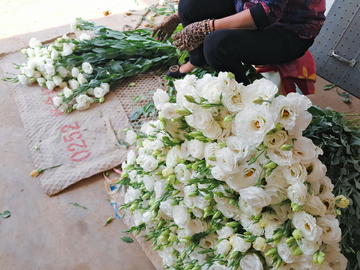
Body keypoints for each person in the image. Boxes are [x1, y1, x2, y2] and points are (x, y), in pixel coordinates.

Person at [151, 0, 326, 84]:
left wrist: (208, 27)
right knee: (189, 5)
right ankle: (197, 60)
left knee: (216, 44)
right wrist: (179, 15)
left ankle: (243, 97)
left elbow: (267, 14)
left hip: (289, 31)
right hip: (249, 5)